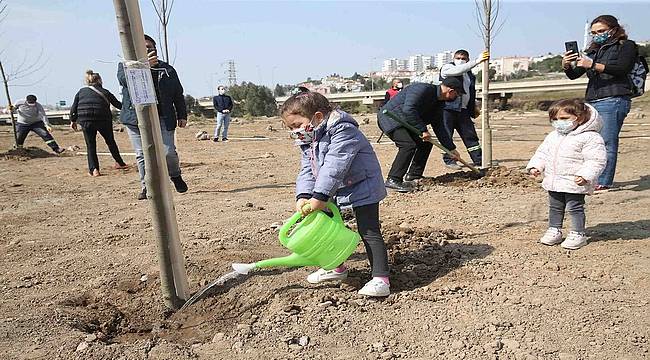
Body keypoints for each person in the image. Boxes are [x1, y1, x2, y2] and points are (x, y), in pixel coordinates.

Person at [279, 91, 390, 297]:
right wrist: (303, 194)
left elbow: (335, 165)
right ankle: (336, 268)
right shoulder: (310, 137)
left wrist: (319, 196)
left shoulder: (344, 131)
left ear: (318, 117)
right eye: (290, 128)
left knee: (369, 230)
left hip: (363, 184)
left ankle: (380, 279)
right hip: (336, 189)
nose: (294, 132)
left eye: (296, 125)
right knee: (328, 229)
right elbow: (308, 169)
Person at [562, 15, 638, 191]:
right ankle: (589, 176)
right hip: (592, 99)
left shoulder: (626, 46)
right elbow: (574, 75)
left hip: (614, 98)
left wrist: (593, 64)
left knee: (607, 141)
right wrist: (567, 65)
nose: (597, 35)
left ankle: (603, 181)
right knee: (589, 141)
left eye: (601, 31)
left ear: (613, 29)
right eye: (593, 33)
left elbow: (622, 69)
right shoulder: (593, 50)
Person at [527, 99, 606, 250]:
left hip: (574, 181)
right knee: (555, 207)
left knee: (574, 207)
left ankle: (578, 233)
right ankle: (554, 229)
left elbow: (596, 160)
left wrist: (585, 175)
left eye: (564, 119)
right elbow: (543, 153)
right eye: (555, 119)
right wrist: (536, 166)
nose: (558, 122)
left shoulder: (590, 137)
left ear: (580, 117)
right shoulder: (553, 136)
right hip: (554, 180)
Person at [117, 34, 188, 200]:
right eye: (144, 48)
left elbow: (178, 93)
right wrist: (143, 67)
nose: (148, 51)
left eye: (150, 48)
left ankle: (175, 175)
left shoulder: (167, 69)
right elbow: (124, 81)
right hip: (135, 118)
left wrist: (182, 114)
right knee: (142, 154)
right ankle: (146, 187)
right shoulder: (126, 67)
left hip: (163, 116)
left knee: (168, 152)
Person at [376, 77, 464, 192]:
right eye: (457, 94)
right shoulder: (422, 89)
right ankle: (393, 180)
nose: (457, 97)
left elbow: (439, 126)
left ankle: (414, 175)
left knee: (425, 144)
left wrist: (451, 148)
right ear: (451, 91)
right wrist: (423, 130)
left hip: (407, 122)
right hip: (391, 118)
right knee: (408, 145)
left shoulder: (439, 102)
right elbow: (409, 110)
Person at [70, 70, 128, 177]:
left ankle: (94, 170)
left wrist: (73, 120)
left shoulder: (81, 92)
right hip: (103, 119)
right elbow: (119, 105)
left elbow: (74, 107)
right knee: (110, 141)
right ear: (100, 80)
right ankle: (120, 163)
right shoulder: (105, 92)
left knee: (90, 145)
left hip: (86, 121)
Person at [439, 50, 489, 169]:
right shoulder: (447, 68)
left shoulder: (469, 75)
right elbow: (458, 70)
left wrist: (473, 106)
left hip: (463, 110)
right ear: (454, 58)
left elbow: (471, 91)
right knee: (447, 135)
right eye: (458, 58)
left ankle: (478, 159)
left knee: (470, 135)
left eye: (463, 58)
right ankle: (449, 160)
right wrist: (477, 61)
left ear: (467, 59)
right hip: (448, 109)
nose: (460, 60)